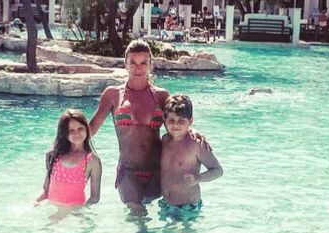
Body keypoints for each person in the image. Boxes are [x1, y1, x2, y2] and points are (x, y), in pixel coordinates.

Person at [89, 39, 169, 212]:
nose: (138, 68)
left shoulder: (162, 96)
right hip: (128, 173)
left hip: (158, 172)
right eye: (133, 62)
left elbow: (177, 128)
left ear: (150, 64)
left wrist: (195, 136)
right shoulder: (112, 94)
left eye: (143, 63)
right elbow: (90, 130)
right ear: (125, 63)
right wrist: (62, 145)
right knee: (137, 216)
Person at [159, 95, 222, 219]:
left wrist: (198, 178)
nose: (176, 125)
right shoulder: (165, 140)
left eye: (181, 121)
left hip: (188, 206)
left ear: (190, 121)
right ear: (164, 120)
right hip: (166, 203)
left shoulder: (196, 144)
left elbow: (218, 170)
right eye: (171, 120)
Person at [34, 109, 102, 208]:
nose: (77, 134)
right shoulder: (53, 155)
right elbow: (46, 189)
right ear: (64, 133)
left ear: (87, 129)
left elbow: (95, 197)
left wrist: (77, 210)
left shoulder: (92, 161)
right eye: (71, 131)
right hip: (52, 208)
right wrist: (35, 201)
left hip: (75, 212)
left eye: (80, 129)